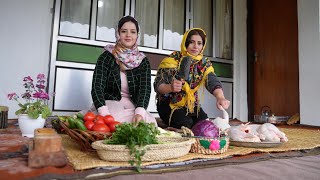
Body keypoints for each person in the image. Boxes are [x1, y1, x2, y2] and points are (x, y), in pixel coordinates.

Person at [154, 28, 230, 129]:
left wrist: (220, 97)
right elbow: (158, 85)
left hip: (191, 104)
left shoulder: (203, 63)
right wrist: (170, 87)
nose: (195, 47)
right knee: (186, 124)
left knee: (205, 125)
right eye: (191, 42)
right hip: (168, 105)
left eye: (199, 43)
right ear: (185, 43)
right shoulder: (173, 59)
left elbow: (211, 80)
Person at [91, 16, 157, 125]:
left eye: (133, 32)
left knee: (150, 123)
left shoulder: (142, 61)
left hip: (132, 105)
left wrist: (139, 113)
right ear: (118, 34)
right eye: (124, 31)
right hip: (110, 103)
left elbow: (144, 90)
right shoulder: (106, 57)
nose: (128, 35)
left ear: (137, 35)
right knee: (118, 122)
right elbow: (96, 87)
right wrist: (104, 113)